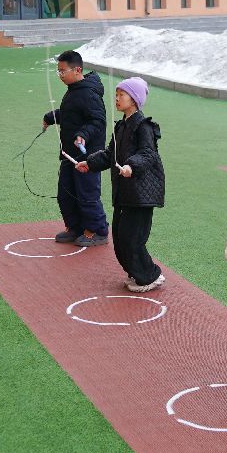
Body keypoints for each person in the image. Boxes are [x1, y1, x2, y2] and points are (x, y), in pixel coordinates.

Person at [77, 78, 166, 292]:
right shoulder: (121, 126)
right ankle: (137, 273)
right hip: (124, 192)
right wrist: (90, 163)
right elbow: (110, 154)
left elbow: (148, 154)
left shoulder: (143, 126)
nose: (116, 99)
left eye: (121, 95)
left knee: (132, 238)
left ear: (134, 99)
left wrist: (131, 166)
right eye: (116, 94)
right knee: (119, 237)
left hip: (141, 194)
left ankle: (150, 276)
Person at [43, 51, 109, 247]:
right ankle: (75, 227)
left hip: (88, 156)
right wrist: (50, 117)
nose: (60, 75)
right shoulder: (74, 90)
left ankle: (98, 231)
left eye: (63, 71)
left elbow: (98, 120)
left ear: (77, 70)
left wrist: (83, 135)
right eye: (58, 71)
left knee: (87, 194)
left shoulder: (89, 93)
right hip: (69, 154)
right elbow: (70, 113)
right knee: (66, 192)